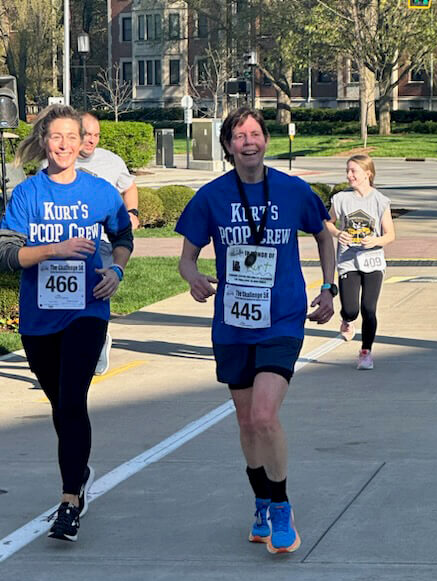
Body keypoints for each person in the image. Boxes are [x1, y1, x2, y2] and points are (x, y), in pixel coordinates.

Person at [175, 106, 336, 554]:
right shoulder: (210, 197)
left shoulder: (293, 190)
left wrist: (327, 287)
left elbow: (325, 235)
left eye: (255, 133)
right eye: (239, 136)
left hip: (281, 317)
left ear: (265, 140)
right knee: (246, 422)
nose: (249, 141)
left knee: (264, 415)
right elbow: (186, 258)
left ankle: (282, 506)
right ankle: (261, 501)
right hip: (233, 323)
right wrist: (193, 278)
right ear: (227, 146)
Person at [0, 104, 133, 542]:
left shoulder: (99, 192)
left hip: (86, 310)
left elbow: (123, 236)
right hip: (39, 317)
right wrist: (53, 250)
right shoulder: (27, 194)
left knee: (73, 399)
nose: (63, 145)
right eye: (56, 137)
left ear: (82, 144)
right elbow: (7, 255)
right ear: (44, 140)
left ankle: (70, 500)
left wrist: (116, 271)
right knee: (61, 405)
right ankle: (80, 469)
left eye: (71, 138)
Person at [75, 112, 140, 375]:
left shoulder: (111, 162)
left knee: (95, 287)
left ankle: (97, 344)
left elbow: (130, 187)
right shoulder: (55, 159)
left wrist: (132, 213)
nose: (91, 140)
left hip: (100, 241)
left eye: (96, 135)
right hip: (63, 241)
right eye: (86, 134)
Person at [325, 154, 395, 370]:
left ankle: (366, 351)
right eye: (348, 171)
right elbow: (326, 223)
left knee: (369, 309)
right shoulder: (341, 199)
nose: (349, 175)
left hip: (373, 261)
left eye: (353, 171)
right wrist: (338, 233)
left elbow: (390, 234)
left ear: (368, 174)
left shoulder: (380, 200)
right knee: (351, 309)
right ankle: (346, 320)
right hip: (348, 261)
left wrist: (375, 240)